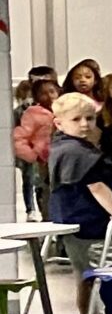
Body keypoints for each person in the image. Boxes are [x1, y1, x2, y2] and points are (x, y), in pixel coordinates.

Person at [45, 92, 112, 314]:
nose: (85, 124)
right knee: (108, 274)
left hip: (71, 222)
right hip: (87, 222)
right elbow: (97, 187)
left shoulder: (62, 147)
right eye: (76, 119)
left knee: (84, 277)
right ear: (59, 123)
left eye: (89, 118)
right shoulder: (78, 153)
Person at [12, 74, 55, 218]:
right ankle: (40, 213)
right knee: (41, 187)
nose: (49, 96)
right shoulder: (32, 113)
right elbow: (20, 136)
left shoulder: (64, 110)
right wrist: (32, 155)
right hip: (42, 160)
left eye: (52, 91)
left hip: (62, 157)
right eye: (43, 93)